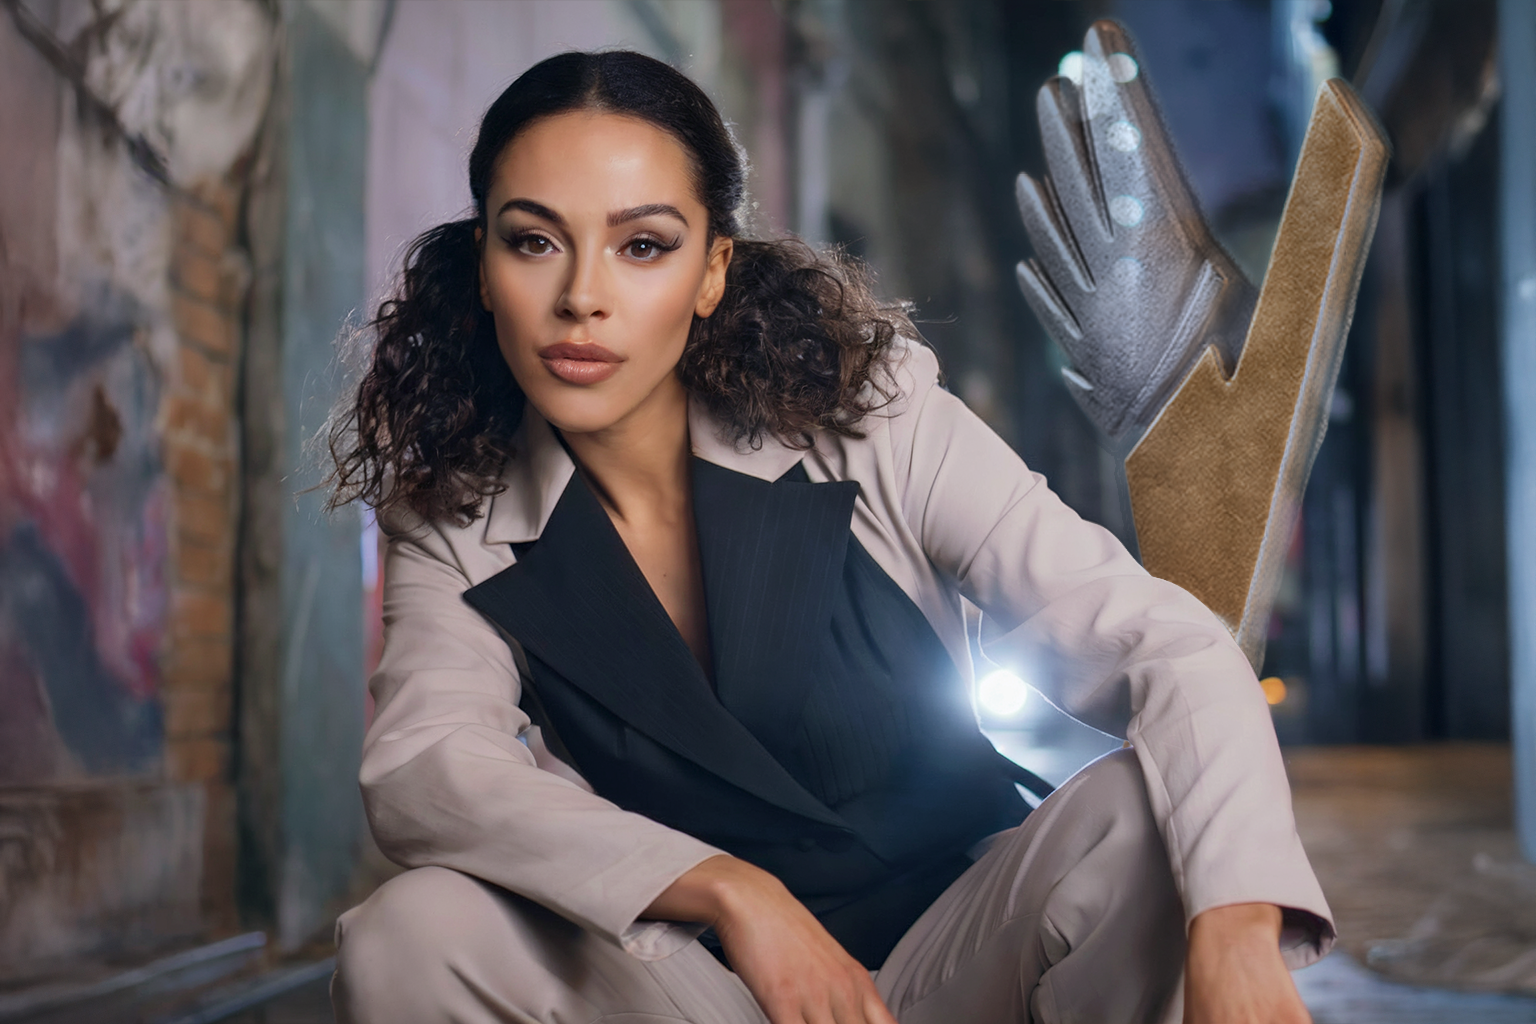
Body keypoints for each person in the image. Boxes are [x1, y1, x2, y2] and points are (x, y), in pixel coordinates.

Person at [327, 50, 1332, 1024]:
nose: (582, 296)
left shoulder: (866, 413)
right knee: (411, 933)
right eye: (535, 241)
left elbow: (1163, 644)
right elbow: (428, 764)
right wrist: (730, 890)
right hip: (698, 987)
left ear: (712, 270)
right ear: (484, 265)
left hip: (965, 962)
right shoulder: (454, 511)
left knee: (1149, 815)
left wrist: (1235, 927)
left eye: (643, 245)